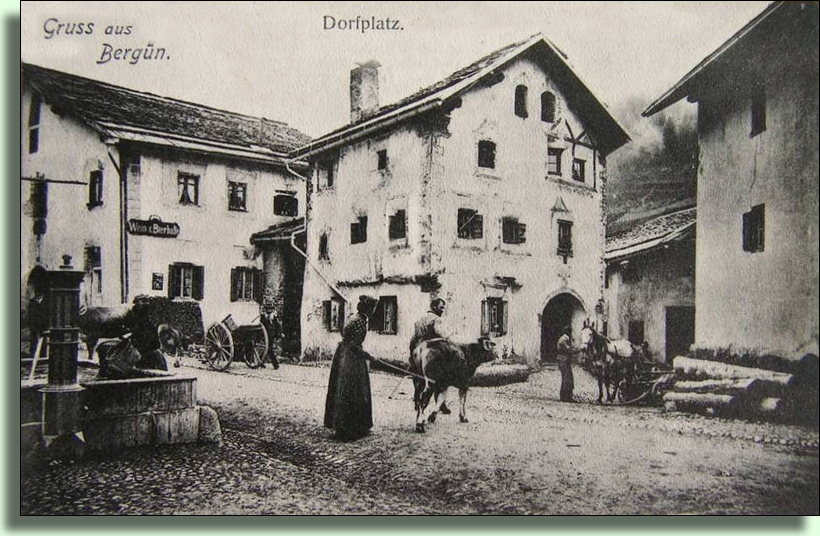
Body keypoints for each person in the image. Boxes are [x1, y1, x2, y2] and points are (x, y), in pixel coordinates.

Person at [324, 295, 378, 441]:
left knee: (342, 389)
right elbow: (354, 345)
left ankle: (343, 425)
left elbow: (345, 337)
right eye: (373, 308)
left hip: (342, 354)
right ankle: (351, 428)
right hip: (352, 359)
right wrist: (369, 356)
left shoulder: (353, 317)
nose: (374, 311)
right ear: (368, 309)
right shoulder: (361, 321)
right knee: (354, 391)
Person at [409, 298, 453, 413]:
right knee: (440, 378)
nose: (442, 310)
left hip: (418, 350)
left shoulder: (420, 319)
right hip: (431, 352)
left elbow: (413, 339)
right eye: (441, 307)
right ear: (434, 307)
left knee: (418, 378)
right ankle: (439, 404)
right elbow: (442, 334)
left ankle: (417, 401)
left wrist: (411, 355)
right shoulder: (437, 320)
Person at [259, 288, 281, 369]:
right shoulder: (263, 317)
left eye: (270, 309)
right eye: (268, 309)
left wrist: (279, 333)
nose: (269, 310)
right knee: (269, 349)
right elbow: (260, 326)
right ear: (265, 309)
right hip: (265, 335)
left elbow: (278, 326)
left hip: (272, 335)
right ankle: (275, 365)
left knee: (268, 348)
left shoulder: (273, 317)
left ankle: (260, 361)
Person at [556, 325, 577, 402]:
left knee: (568, 378)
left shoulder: (565, 338)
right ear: (568, 332)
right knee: (566, 379)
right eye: (570, 332)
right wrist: (578, 350)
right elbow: (568, 350)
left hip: (565, 360)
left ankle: (567, 396)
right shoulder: (564, 339)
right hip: (563, 361)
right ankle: (565, 397)